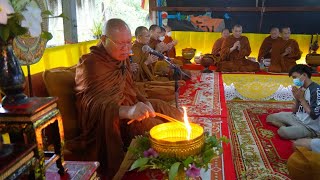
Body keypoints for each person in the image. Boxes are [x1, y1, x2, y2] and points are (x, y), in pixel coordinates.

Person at [75, 19, 182, 179]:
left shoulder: (121, 57)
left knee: (161, 106)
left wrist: (143, 101)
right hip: (111, 119)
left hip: (128, 106)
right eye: (121, 44)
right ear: (104, 40)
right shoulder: (91, 64)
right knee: (153, 127)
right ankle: (175, 160)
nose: (127, 49)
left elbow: (130, 87)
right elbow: (91, 107)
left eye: (128, 42)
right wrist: (129, 111)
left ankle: (187, 137)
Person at [266, 64, 320, 140]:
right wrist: (297, 99)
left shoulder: (316, 90)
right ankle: (293, 128)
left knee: (283, 132)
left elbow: (314, 115)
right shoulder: (302, 88)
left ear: (304, 75)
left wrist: (301, 99)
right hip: (296, 118)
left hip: (308, 126)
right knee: (270, 118)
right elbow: (294, 111)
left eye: (295, 77)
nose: (294, 80)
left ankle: (308, 134)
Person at [131, 26, 184, 102]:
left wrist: (151, 62)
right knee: (170, 91)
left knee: (175, 83)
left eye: (149, 36)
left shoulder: (145, 47)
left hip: (150, 77)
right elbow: (135, 74)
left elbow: (152, 65)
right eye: (147, 36)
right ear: (139, 37)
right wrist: (146, 63)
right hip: (141, 82)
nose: (149, 38)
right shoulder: (134, 50)